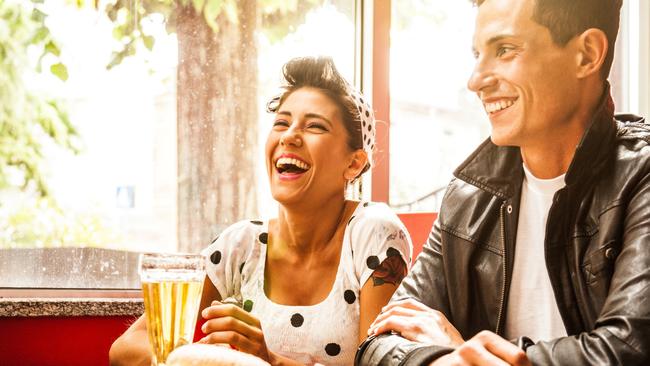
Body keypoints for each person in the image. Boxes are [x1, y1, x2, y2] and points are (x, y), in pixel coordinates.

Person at [356, 0, 650, 365]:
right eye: (478, 54)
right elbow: (380, 341)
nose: (475, 80)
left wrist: (462, 351)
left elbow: (628, 350)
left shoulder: (642, 178)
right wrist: (449, 360)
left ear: (586, 55)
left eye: (505, 50)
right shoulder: (468, 197)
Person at [109, 56, 412, 366]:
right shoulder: (242, 244)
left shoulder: (374, 233)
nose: (289, 136)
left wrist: (270, 361)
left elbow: (382, 364)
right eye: (281, 123)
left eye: (315, 126)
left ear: (354, 163)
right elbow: (124, 351)